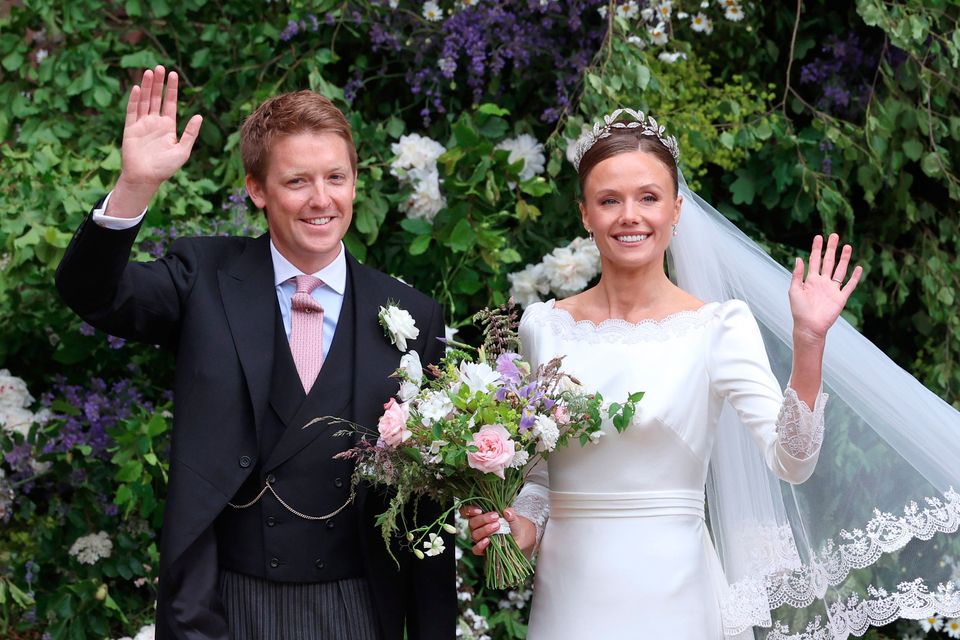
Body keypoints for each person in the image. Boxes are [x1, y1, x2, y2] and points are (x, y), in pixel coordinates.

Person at [464, 109, 960, 639]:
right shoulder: (545, 328)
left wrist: (809, 343)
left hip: (674, 595)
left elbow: (792, 460)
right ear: (585, 214)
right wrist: (519, 526)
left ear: (676, 209)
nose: (630, 215)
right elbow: (542, 476)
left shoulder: (717, 327)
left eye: (649, 197)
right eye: (610, 200)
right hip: (568, 598)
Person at [56, 66, 455, 640]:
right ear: (257, 189)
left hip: (362, 606)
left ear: (355, 181)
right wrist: (135, 185)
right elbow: (90, 294)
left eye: (336, 178)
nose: (322, 200)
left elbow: (427, 497)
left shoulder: (412, 313)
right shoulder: (204, 277)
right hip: (227, 604)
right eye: (297, 182)